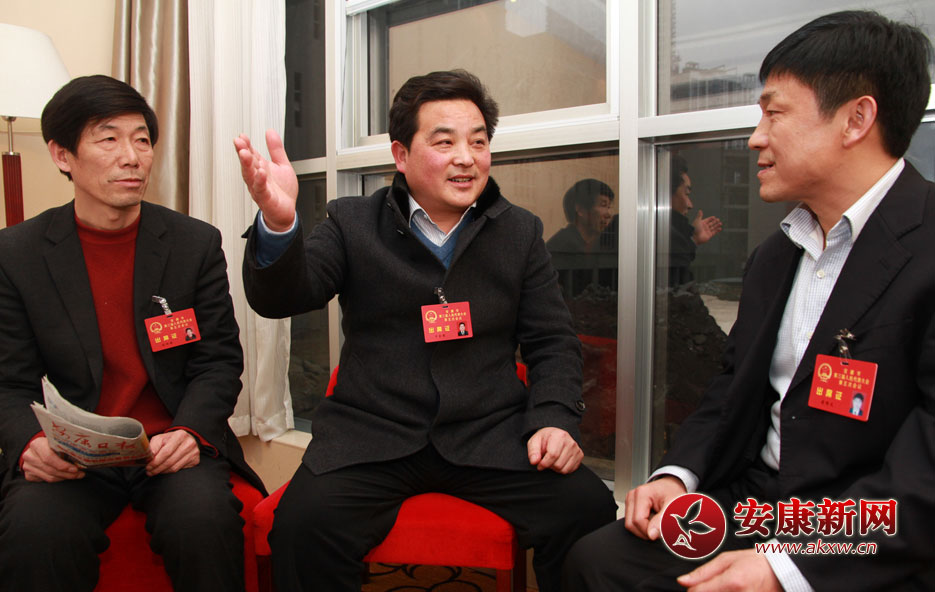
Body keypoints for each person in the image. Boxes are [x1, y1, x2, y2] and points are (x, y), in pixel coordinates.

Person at [563, 10, 934, 591]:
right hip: (760, 505)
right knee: (599, 561)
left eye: (774, 113)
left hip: (862, 525)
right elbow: (731, 387)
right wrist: (679, 475)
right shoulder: (777, 254)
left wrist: (786, 566)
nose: (756, 136)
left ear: (856, 119)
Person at [235, 69, 615, 592]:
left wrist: (554, 420)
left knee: (588, 509)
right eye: (445, 142)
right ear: (401, 155)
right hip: (373, 434)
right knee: (303, 528)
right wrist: (280, 227)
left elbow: (552, 341)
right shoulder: (351, 222)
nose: (467, 158)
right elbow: (284, 297)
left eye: (478, 142)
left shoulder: (519, 231)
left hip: (489, 435)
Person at [0, 75, 264, 592]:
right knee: (36, 532)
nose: (132, 157)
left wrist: (190, 432)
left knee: (203, 522)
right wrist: (30, 442)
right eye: (109, 139)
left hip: (167, 444)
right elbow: (9, 381)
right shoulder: (17, 254)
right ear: (62, 155)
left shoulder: (192, 244)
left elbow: (217, 362)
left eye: (142, 140)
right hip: (71, 452)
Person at [546, 179, 617, 298]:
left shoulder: (607, 243)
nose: (608, 214)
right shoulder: (558, 246)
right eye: (603, 205)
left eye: (609, 207)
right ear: (580, 209)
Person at [667, 155, 723, 287]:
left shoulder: (666, 239)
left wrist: (693, 239)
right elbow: (681, 292)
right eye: (686, 193)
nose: (690, 205)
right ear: (665, 194)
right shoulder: (666, 238)